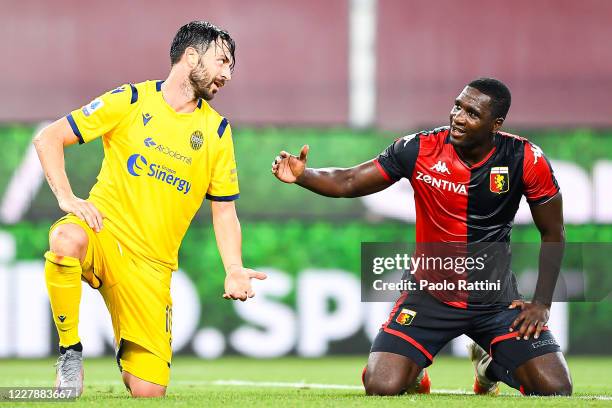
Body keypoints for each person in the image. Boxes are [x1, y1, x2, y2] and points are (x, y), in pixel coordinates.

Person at [271, 78, 572, 396]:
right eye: (458, 106)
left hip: (494, 300)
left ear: (495, 124)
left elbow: (554, 232)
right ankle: (414, 374)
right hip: (428, 295)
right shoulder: (418, 148)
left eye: (472, 113)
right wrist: (304, 175)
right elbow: (349, 181)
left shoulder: (526, 158)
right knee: (381, 386)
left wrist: (541, 303)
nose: (458, 116)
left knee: (555, 388)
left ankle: (490, 366)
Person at [33, 21, 266, 398]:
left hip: (152, 268)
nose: (227, 73)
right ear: (191, 56)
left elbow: (224, 210)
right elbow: (49, 138)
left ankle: (128, 350)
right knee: (65, 236)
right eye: (222, 61)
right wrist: (68, 198)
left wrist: (234, 268)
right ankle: (70, 351)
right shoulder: (131, 100)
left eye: (231, 66)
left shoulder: (217, 132)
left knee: (148, 391)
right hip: (102, 231)